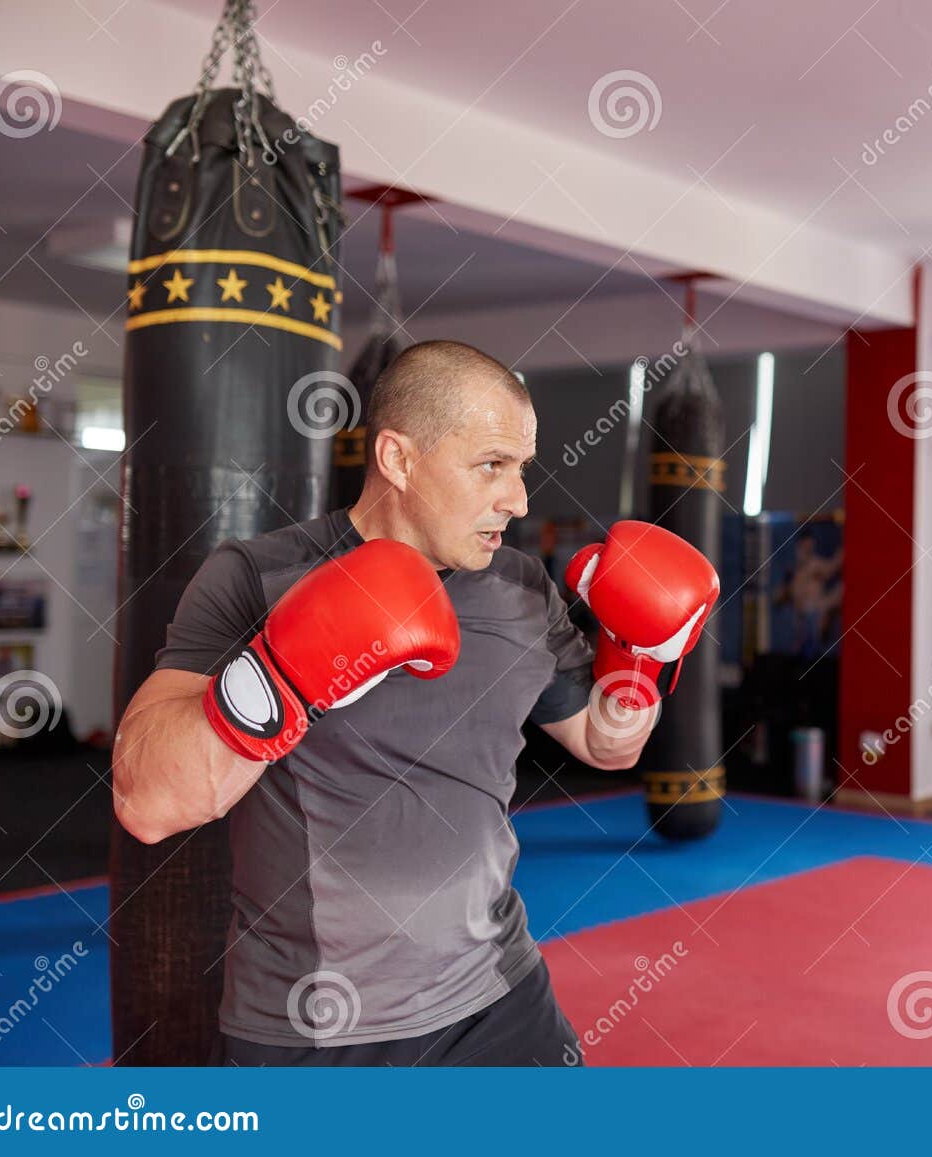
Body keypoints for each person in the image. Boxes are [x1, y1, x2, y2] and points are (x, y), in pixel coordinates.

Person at [110, 341, 718, 1066]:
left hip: (501, 994)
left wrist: (636, 665)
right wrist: (286, 673)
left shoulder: (521, 590)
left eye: (521, 467)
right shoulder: (258, 577)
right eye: (492, 464)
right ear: (398, 458)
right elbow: (147, 801)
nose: (519, 499)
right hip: (318, 1023)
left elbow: (606, 742)